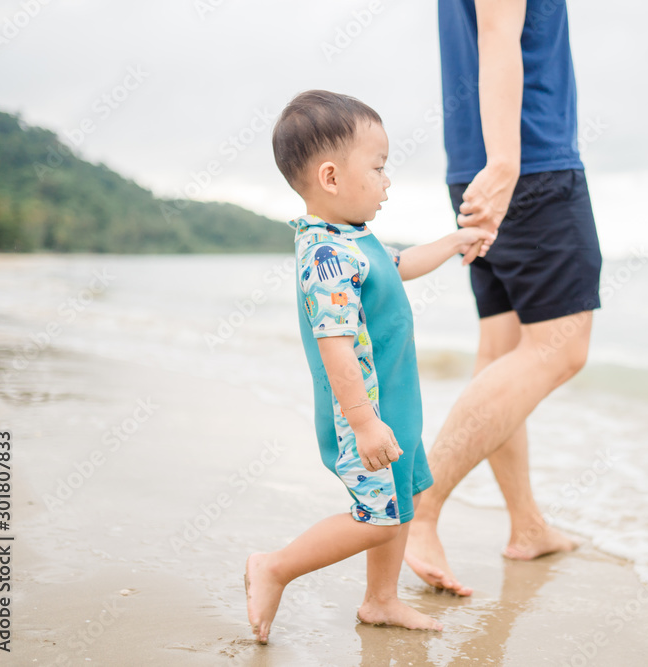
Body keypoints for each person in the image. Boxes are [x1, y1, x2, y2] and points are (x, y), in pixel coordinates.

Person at [244, 90, 494, 642]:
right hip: (366, 413)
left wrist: (455, 241)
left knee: (401, 503)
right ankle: (275, 567)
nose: (388, 182)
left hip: (395, 407)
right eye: (378, 168)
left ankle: (380, 601)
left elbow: (398, 265)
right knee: (374, 517)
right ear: (331, 177)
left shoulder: (354, 237)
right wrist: (362, 421)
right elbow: (334, 345)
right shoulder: (324, 255)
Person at [404, 0, 602, 596]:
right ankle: (420, 510)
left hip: (479, 166)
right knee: (560, 350)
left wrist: (494, 166)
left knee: (502, 351)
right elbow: (497, 34)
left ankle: (527, 526)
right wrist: (508, 163)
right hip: (526, 164)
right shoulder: (516, 164)